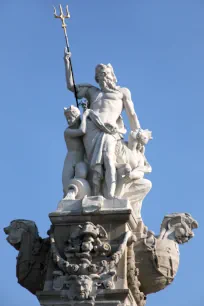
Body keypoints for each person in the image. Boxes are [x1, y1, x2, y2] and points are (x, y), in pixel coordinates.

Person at [64, 49, 140, 198]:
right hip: (91, 129)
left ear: (112, 76)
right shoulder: (93, 92)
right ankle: (95, 193)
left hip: (110, 131)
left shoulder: (122, 92)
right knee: (94, 165)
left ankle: (110, 194)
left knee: (109, 159)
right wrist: (67, 62)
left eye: (105, 74)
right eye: (99, 76)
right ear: (96, 79)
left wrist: (137, 131)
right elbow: (71, 87)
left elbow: (131, 114)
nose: (103, 78)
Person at [62, 105, 88, 197]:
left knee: (82, 175)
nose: (68, 121)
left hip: (81, 160)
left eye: (70, 118)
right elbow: (82, 131)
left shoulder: (82, 123)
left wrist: (85, 109)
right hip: (70, 159)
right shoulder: (67, 132)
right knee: (66, 186)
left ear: (76, 117)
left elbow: (86, 126)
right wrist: (84, 116)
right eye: (67, 119)